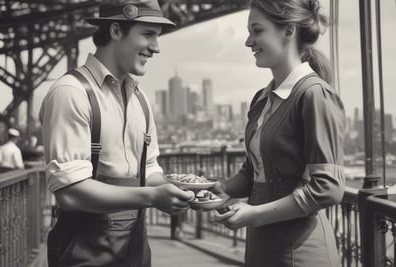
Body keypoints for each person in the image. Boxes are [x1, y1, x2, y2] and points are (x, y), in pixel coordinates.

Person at [39, 0, 194, 266]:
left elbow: (149, 168)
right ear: (115, 31)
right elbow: (69, 192)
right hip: (83, 254)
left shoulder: (141, 99)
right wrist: (152, 197)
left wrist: (175, 189)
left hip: (136, 252)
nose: (156, 47)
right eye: (148, 34)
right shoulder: (71, 92)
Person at [212, 0, 345, 266]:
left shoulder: (314, 95)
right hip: (263, 245)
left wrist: (255, 215)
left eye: (257, 30)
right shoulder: (261, 99)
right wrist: (218, 189)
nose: (249, 41)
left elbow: (328, 188)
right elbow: (253, 173)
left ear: (289, 30)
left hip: (300, 250)